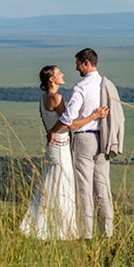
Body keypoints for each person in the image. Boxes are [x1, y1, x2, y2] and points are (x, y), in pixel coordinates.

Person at [20, 65, 108, 240]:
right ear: (51, 79)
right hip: (60, 146)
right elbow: (70, 124)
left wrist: (52, 130)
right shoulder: (57, 97)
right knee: (64, 186)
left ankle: (44, 227)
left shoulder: (43, 98)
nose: (63, 74)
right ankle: (61, 231)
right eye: (58, 73)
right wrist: (94, 116)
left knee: (52, 184)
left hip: (54, 147)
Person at [47, 48, 123, 239]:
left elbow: (69, 118)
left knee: (84, 188)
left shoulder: (81, 87)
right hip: (105, 138)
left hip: (84, 139)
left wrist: (53, 130)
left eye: (78, 63)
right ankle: (108, 233)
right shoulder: (107, 84)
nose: (76, 67)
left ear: (86, 63)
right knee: (103, 188)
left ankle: (87, 235)